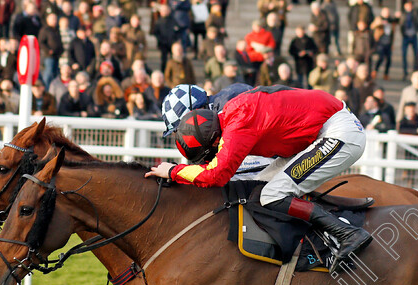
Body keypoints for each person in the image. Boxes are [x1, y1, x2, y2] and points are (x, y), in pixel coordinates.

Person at [146, 87, 371, 272]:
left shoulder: (236, 125)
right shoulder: (227, 115)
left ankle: (348, 233)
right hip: (319, 130)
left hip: (338, 132)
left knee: (273, 194)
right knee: (259, 189)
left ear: (213, 142)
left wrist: (173, 172)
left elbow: (216, 174)